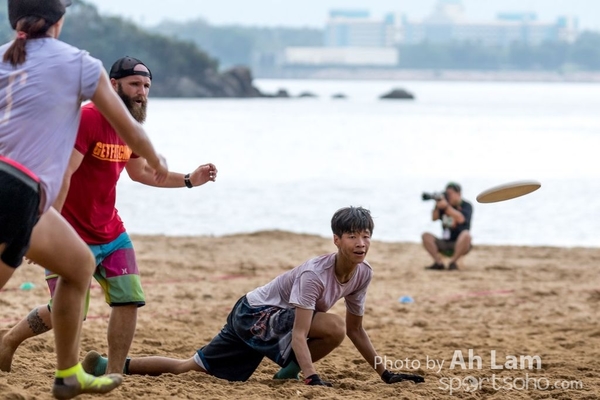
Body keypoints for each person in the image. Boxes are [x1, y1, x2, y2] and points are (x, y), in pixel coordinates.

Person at [0, 56, 218, 377]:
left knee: (129, 300)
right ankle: (9, 341)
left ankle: (115, 372)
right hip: (70, 233)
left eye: (146, 86)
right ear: (113, 85)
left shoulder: (130, 129)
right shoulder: (87, 118)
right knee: (68, 310)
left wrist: (188, 179)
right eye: (135, 84)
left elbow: (142, 172)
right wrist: (45, 230)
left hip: (112, 232)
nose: (142, 92)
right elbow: (63, 175)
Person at [0, 0, 169, 398]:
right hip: (18, 188)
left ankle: (68, 374)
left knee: (78, 265)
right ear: (60, 21)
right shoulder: (80, 63)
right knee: (76, 267)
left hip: (23, 193)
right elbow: (130, 130)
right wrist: (157, 158)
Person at [81, 206, 425, 387]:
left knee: (192, 368)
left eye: (365, 235)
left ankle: (108, 366)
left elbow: (357, 331)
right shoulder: (313, 275)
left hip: (264, 319)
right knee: (330, 326)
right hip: (254, 313)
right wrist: (311, 377)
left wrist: (386, 374)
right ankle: (290, 374)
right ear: (336, 239)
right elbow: (301, 334)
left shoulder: (363, 273)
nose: (360, 243)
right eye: (352, 235)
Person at [422, 182, 473, 271]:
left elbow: (461, 218)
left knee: (466, 235)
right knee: (425, 236)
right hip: (445, 241)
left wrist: (446, 207)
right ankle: (438, 263)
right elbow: (434, 218)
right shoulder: (443, 206)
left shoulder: (466, 205)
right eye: (447, 194)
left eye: (450, 194)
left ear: (459, 194)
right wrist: (437, 205)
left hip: (460, 243)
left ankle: (452, 263)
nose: (448, 196)